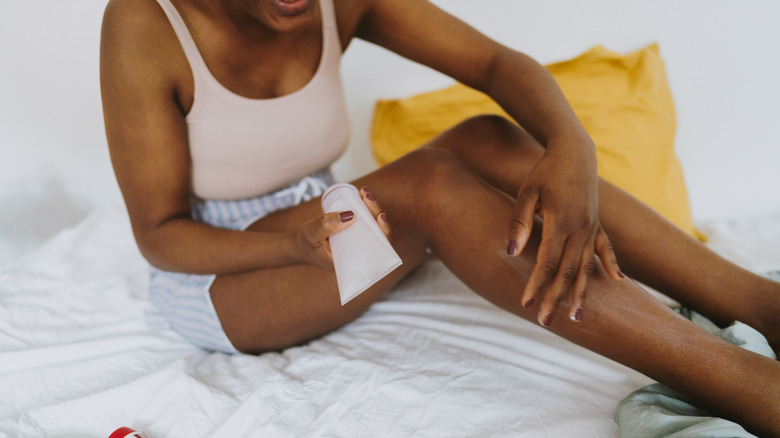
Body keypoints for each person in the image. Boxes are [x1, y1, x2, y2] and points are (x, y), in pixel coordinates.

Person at [99, 0, 780, 435]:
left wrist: (571, 147)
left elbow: (491, 61)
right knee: (430, 183)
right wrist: (294, 246)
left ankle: (763, 304)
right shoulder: (143, 23)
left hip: (329, 222)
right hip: (218, 273)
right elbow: (160, 237)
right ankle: (745, 384)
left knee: (489, 135)